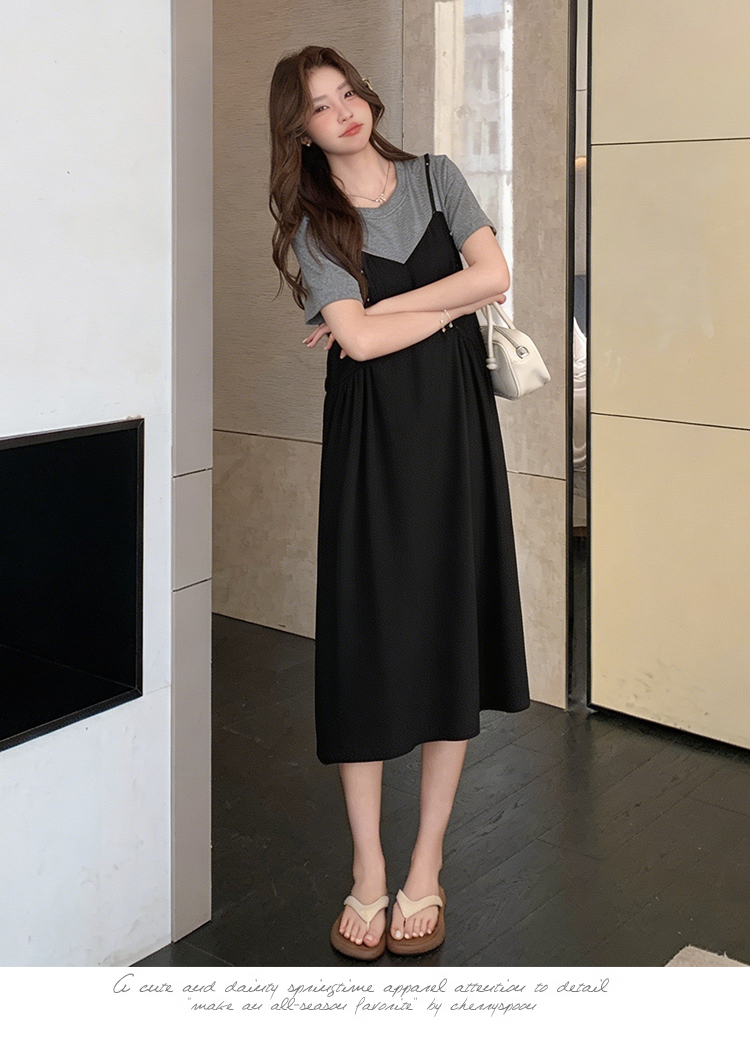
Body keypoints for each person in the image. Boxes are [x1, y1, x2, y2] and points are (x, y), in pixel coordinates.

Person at [268, 45, 531, 961]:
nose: (343, 110)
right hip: (372, 442)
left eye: (348, 92)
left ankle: (426, 866)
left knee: (449, 632)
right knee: (367, 643)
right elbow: (365, 349)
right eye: (320, 104)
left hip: (454, 432)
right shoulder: (314, 223)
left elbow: (494, 277)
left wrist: (381, 315)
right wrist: (427, 309)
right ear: (300, 130)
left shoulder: (437, 176)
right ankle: (369, 868)